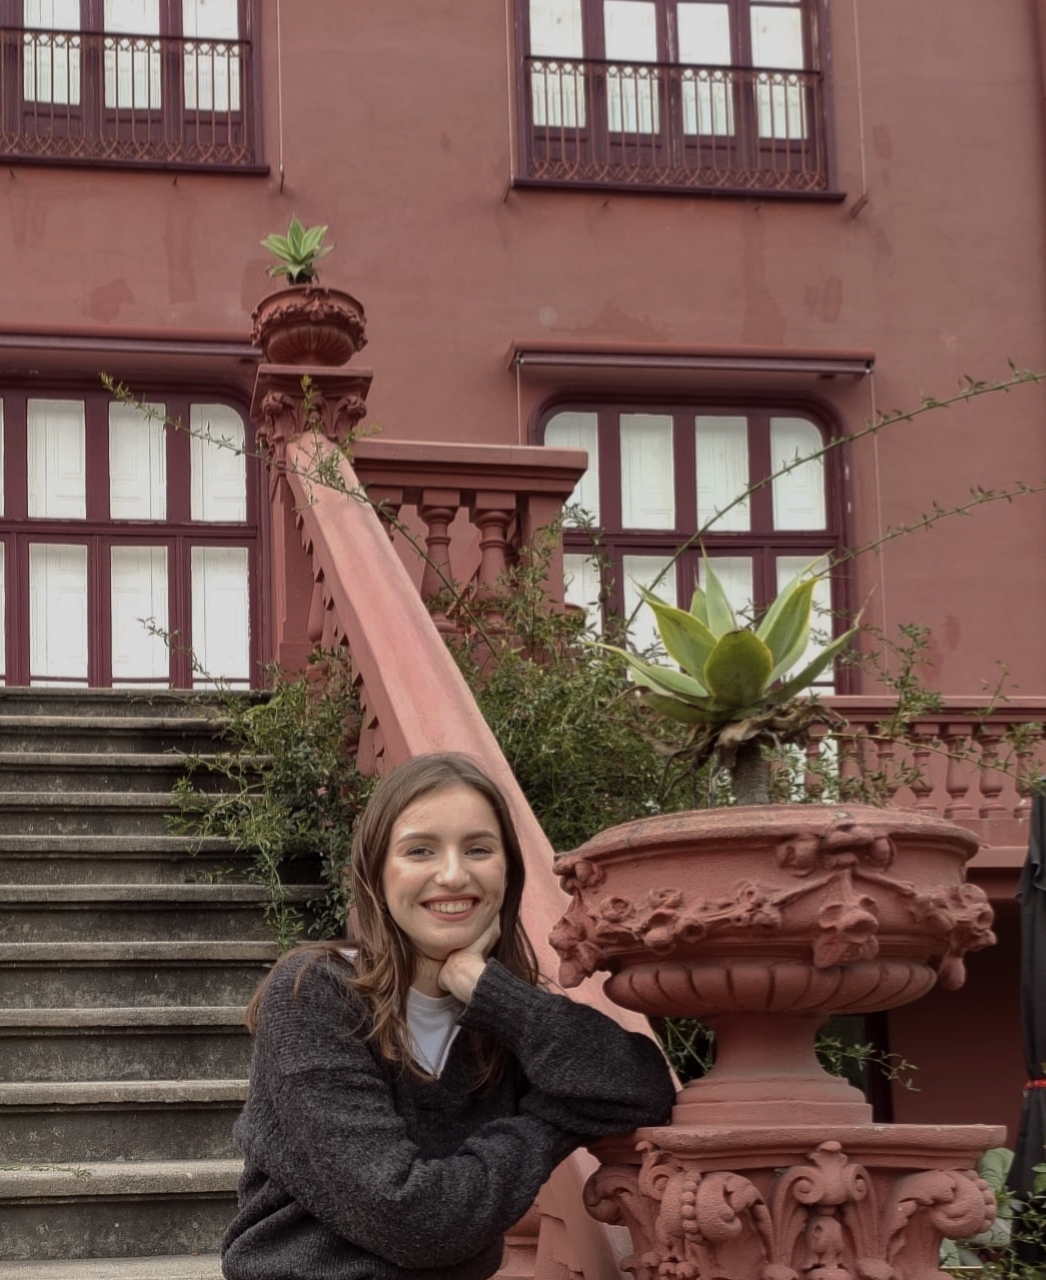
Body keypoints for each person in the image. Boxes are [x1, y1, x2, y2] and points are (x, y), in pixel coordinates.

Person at [221, 751, 676, 1280]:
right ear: (377, 873)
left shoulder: (506, 1014)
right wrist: (550, 1123)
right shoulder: (316, 994)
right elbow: (409, 1219)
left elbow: (644, 1085)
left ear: (507, 872)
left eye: (479, 849)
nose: (454, 875)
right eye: (420, 850)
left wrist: (493, 994)